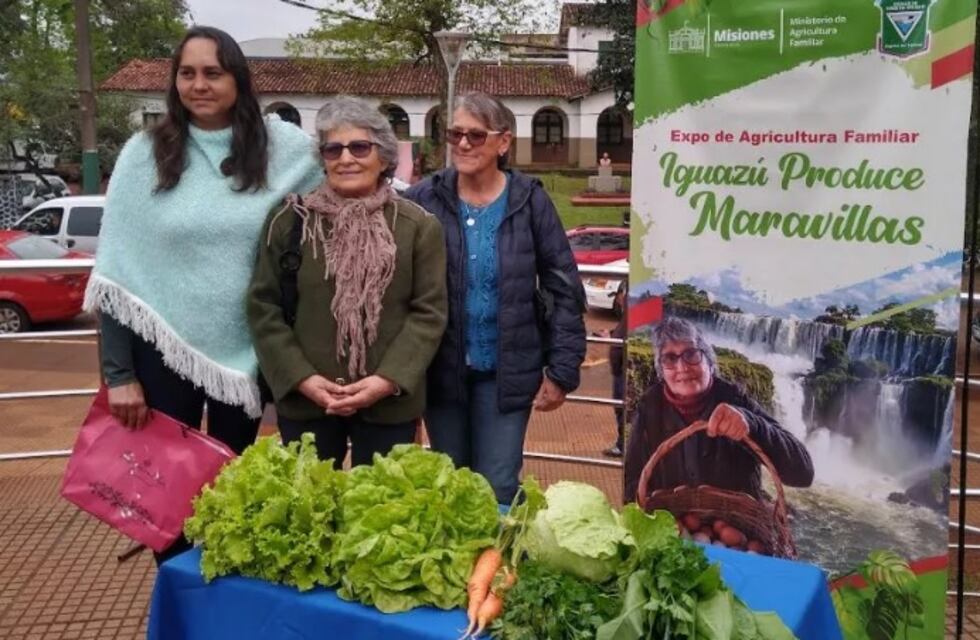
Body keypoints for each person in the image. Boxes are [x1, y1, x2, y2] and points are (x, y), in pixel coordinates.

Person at [84, 26, 323, 560]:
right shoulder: (144, 154)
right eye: (187, 73)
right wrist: (119, 376)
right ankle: (181, 602)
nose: (199, 84)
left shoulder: (283, 148)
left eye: (213, 72)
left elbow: (355, 162)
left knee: (231, 491)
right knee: (164, 500)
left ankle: (222, 597)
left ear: (237, 77)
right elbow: (118, 274)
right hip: (160, 352)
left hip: (246, 356)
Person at [404, 91, 586, 504]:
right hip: (441, 370)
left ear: (503, 142)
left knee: (498, 484)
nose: (464, 144)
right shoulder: (422, 200)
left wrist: (562, 369)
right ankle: (460, 568)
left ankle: (497, 566)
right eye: (455, 134)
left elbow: (563, 285)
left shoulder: (529, 200)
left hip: (508, 372)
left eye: (476, 135)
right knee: (451, 482)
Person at [248, 96, 447, 469]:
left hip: (388, 403)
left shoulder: (418, 226)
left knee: (380, 513)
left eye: (359, 147)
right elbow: (264, 308)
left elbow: (428, 312)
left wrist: (387, 379)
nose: (346, 158)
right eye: (333, 149)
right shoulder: (290, 222)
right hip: (308, 402)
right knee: (309, 510)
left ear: (384, 157)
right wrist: (303, 378)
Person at [623, 317, 814, 504]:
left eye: (691, 354)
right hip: (673, 526)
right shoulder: (649, 407)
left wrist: (752, 426)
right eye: (669, 358)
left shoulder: (734, 399)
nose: (682, 367)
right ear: (661, 371)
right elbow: (631, 481)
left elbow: (803, 474)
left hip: (740, 525)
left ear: (709, 361)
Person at [602, 281, 627, 458]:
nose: (618, 303)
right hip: (619, 365)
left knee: (622, 407)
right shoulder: (628, 313)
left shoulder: (636, 307)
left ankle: (623, 445)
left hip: (623, 368)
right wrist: (611, 334)